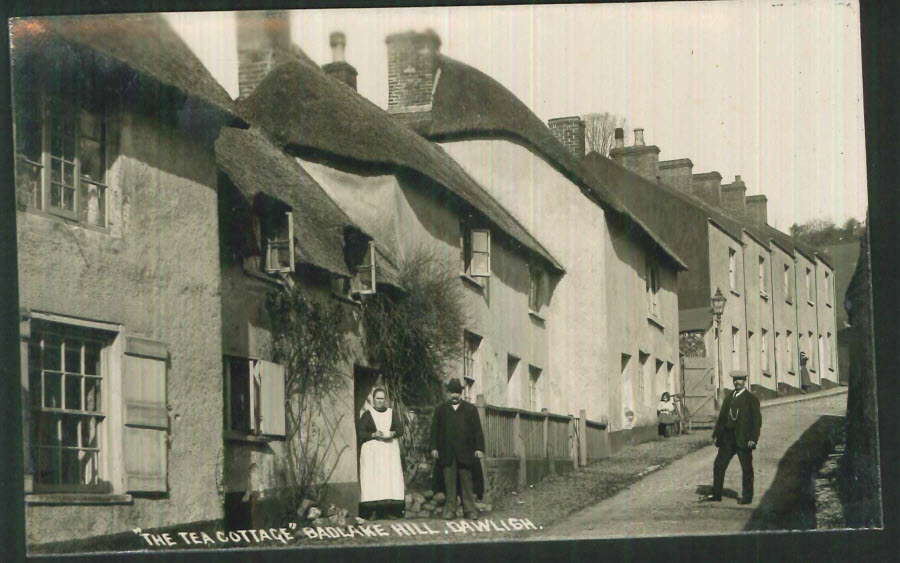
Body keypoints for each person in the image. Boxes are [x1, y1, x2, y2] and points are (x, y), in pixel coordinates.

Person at [701, 372, 762, 505]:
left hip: (743, 439)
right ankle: (716, 494)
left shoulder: (751, 399)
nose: (737, 382)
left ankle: (747, 497)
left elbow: (756, 421)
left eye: (740, 380)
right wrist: (716, 435)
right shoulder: (729, 398)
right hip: (727, 439)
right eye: (735, 380)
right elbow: (722, 418)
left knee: (747, 469)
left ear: (745, 381)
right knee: (718, 465)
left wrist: (753, 438)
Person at [430, 378, 485, 520]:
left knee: (467, 483)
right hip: (447, 452)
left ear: (461, 393)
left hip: (465, 452)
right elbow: (434, 430)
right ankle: (450, 510)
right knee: (450, 483)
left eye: (457, 392)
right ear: (448, 393)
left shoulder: (470, 409)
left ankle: (470, 510)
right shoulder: (441, 410)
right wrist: (434, 448)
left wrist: (479, 448)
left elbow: (477, 430)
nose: (454, 395)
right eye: (452, 392)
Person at [357, 387, 405, 520]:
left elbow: (400, 429)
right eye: (377, 398)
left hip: (389, 452)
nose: (380, 401)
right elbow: (361, 433)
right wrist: (373, 434)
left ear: (385, 400)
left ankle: (389, 511)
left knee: (389, 480)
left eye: (382, 398)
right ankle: (372, 511)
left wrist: (393, 433)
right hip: (373, 453)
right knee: (374, 480)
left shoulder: (391, 413)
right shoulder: (368, 414)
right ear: (373, 400)